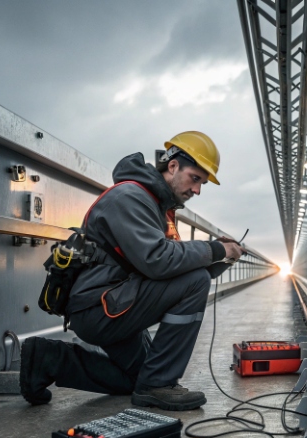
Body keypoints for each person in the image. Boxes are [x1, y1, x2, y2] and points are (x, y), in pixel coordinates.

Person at [19, 131, 244, 411]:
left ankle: (47, 359)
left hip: (116, 300)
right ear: (173, 166)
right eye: (195, 178)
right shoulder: (131, 197)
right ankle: (158, 385)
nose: (197, 190)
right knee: (196, 281)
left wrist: (222, 258)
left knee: (134, 378)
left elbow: (174, 272)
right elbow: (158, 260)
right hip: (99, 306)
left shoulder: (155, 205)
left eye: (202, 183)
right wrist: (216, 250)